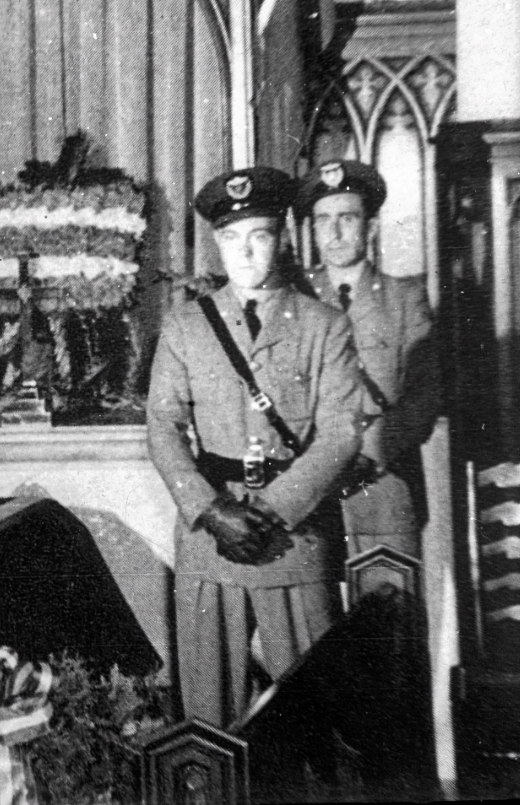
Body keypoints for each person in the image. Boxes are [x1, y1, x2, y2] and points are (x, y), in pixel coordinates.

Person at [146, 167, 364, 727]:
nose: (244, 251)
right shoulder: (186, 327)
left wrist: (271, 511)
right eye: (230, 238)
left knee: (316, 714)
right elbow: (162, 426)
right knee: (206, 719)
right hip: (211, 540)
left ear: (283, 237)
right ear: (216, 243)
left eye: (260, 235)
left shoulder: (325, 326)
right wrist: (209, 509)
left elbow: (341, 431)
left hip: (291, 538)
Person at [295, 160, 439, 559]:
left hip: (381, 479)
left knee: (386, 604)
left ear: (371, 228)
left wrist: (371, 451)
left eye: (347, 218)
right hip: (310, 483)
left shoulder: (403, 297)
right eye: (323, 220)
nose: (335, 232)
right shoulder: (293, 299)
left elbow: (425, 395)